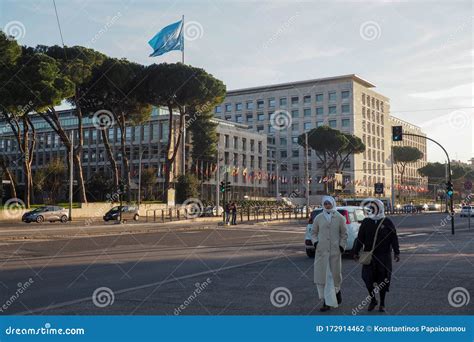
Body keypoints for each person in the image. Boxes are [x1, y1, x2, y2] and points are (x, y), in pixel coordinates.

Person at [353, 198, 400, 312]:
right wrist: (355, 251)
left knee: (383, 280)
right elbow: (360, 238)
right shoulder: (366, 222)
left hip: (384, 256)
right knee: (367, 279)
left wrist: (396, 252)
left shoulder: (387, 222)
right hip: (369, 256)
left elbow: (393, 238)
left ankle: (382, 303)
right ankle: (373, 299)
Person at [311, 195, 348, 312]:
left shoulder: (340, 218)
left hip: (335, 252)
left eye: (329, 203)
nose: (327, 205)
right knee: (323, 278)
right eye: (325, 203)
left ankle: (337, 292)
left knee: (334, 276)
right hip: (321, 253)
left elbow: (344, 234)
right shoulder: (318, 218)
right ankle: (325, 302)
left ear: (333, 203)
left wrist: (342, 246)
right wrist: (316, 243)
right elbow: (313, 232)